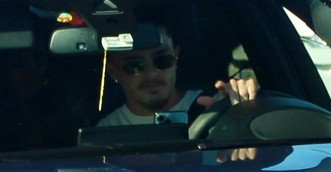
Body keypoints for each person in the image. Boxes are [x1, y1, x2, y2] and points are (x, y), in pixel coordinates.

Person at [96, 21, 255, 126]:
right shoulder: (104, 134)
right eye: (134, 65)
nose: (152, 73)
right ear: (113, 72)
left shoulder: (215, 106)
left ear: (176, 56)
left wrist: (246, 109)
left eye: (163, 59)